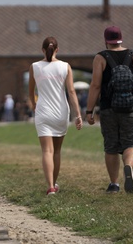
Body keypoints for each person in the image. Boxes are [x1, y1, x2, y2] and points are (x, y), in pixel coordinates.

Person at [85, 26, 133, 194]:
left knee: (111, 147)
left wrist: (89, 111)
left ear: (106, 40)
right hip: (131, 108)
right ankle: (128, 166)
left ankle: (114, 184)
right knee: (131, 143)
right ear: (121, 39)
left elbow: (95, 86)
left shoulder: (100, 58)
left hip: (108, 109)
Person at [28, 36, 82, 196]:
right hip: (61, 112)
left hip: (43, 112)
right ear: (57, 49)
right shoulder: (65, 67)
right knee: (57, 151)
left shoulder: (34, 67)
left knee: (47, 151)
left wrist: (34, 106)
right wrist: (78, 114)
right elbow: (71, 92)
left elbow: (31, 91)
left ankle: (51, 186)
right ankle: (54, 185)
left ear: (43, 50)